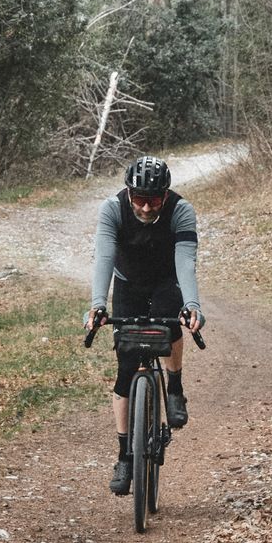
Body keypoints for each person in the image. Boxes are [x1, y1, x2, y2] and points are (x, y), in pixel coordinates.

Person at [84, 155, 205, 496]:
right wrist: (97, 305)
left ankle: (175, 387)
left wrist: (192, 305)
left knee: (172, 324)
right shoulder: (112, 210)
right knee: (126, 367)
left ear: (165, 196)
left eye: (154, 200)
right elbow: (104, 258)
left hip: (166, 281)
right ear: (129, 193)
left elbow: (185, 261)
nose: (148, 208)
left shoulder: (181, 210)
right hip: (128, 283)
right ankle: (125, 455)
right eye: (140, 200)